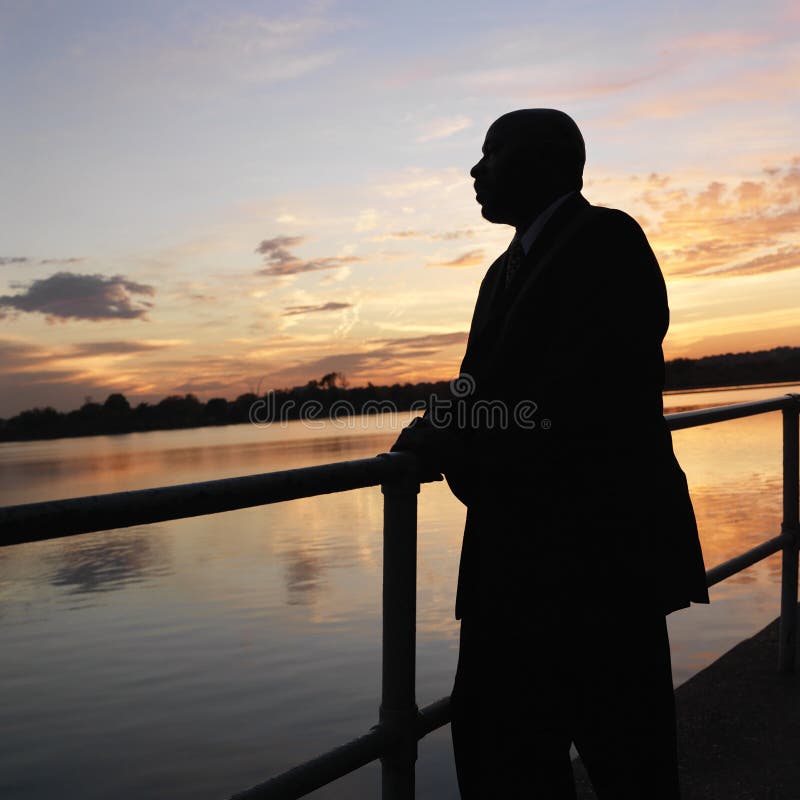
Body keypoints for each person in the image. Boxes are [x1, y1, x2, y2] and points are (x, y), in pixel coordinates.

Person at [391, 109, 709, 799]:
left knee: (629, 764)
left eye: (491, 153)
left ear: (546, 162)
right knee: (498, 757)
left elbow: (574, 402)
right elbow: (481, 383)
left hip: (602, 569)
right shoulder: (502, 272)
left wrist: (451, 443)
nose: (475, 172)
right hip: (514, 573)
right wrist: (430, 427)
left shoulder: (607, 241)